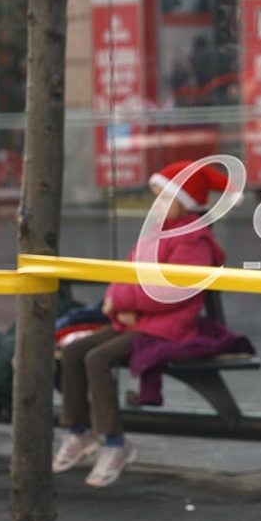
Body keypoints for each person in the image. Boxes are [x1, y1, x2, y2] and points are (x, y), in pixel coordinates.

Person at [52, 159, 242, 488]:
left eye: (165, 197)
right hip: (137, 321)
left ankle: (114, 443)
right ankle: (78, 432)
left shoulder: (193, 240)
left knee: (97, 358)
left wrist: (124, 303)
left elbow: (174, 290)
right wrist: (114, 302)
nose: (157, 204)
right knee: (73, 351)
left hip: (167, 327)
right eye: (155, 195)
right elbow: (126, 274)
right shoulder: (154, 233)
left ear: (187, 202)